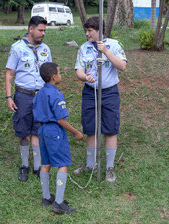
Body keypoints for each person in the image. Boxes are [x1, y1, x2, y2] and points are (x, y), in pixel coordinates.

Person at [74, 16, 127, 182]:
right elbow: (79, 71)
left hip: (109, 92)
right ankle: (90, 165)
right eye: (86, 31)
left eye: (90, 31)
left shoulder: (114, 45)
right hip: (90, 93)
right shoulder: (84, 48)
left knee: (110, 129)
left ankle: (109, 169)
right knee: (90, 128)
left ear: (100, 31)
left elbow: (122, 66)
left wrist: (106, 51)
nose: (87, 34)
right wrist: (84, 77)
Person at [5, 16, 52, 182]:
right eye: (40, 30)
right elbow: (9, 73)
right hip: (23, 95)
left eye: (44, 30)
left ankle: (37, 166)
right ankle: (25, 165)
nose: (43, 33)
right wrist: (9, 97)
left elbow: (50, 74)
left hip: (41, 96)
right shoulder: (17, 48)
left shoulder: (45, 49)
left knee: (37, 130)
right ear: (31, 29)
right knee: (23, 131)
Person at [33, 62, 83, 214]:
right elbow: (61, 120)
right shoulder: (55, 94)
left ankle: (46, 197)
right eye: (60, 73)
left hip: (41, 130)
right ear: (54, 77)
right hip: (54, 130)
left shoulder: (39, 93)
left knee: (45, 163)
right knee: (63, 164)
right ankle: (59, 203)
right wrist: (76, 132)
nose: (61, 75)